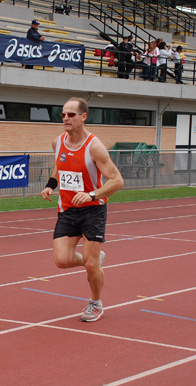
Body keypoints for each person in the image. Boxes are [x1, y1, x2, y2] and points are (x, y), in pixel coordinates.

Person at [40, 97, 124, 322]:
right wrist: (51, 185)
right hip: (67, 209)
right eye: (63, 114)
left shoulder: (94, 146)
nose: (66, 118)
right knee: (62, 260)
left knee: (89, 264)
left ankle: (95, 303)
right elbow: (59, 163)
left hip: (93, 210)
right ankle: (95, 260)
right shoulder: (57, 141)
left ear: (83, 117)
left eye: (71, 114)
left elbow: (117, 181)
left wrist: (92, 194)